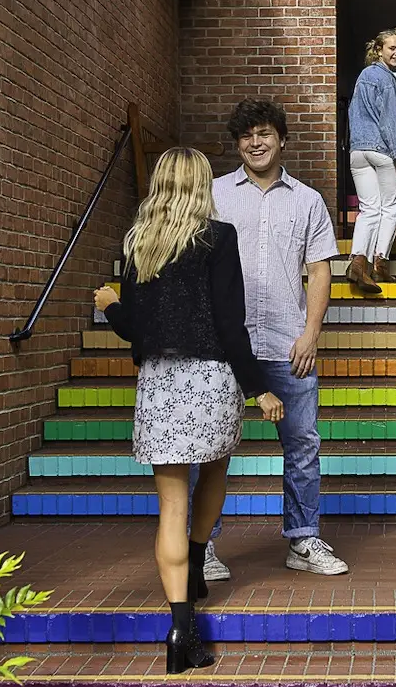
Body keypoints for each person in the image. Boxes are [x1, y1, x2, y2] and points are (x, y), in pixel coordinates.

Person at [93, 147, 285, 674]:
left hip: (159, 381)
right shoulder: (218, 238)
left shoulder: (139, 244)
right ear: (202, 185)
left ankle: (182, 629)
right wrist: (258, 388)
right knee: (215, 472)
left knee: (169, 507)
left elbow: (135, 329)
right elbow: (230, 322)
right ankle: (199, 560)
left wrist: (111, 307)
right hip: (211, 379)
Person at [202, 99, 350, 576]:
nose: (255, 142)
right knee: (209, 447)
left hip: (290, 344)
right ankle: (201, 543)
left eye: (264, 133)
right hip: (227, 345)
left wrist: (311, 333)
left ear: (282, 139)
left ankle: (303, 540)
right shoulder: (215, 195)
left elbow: (320, 269)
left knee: (302, 444)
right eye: (246, 136)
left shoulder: (307, 200)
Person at [345, 30, 396, 293]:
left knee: (369, 209)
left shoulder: (363, 78)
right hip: (383, 151)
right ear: (379, 50)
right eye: (391, 48)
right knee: (392, 208)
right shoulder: (385, 80)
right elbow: (390, 120)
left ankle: (357, 264)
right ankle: (380, 263)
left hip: (358, 152)